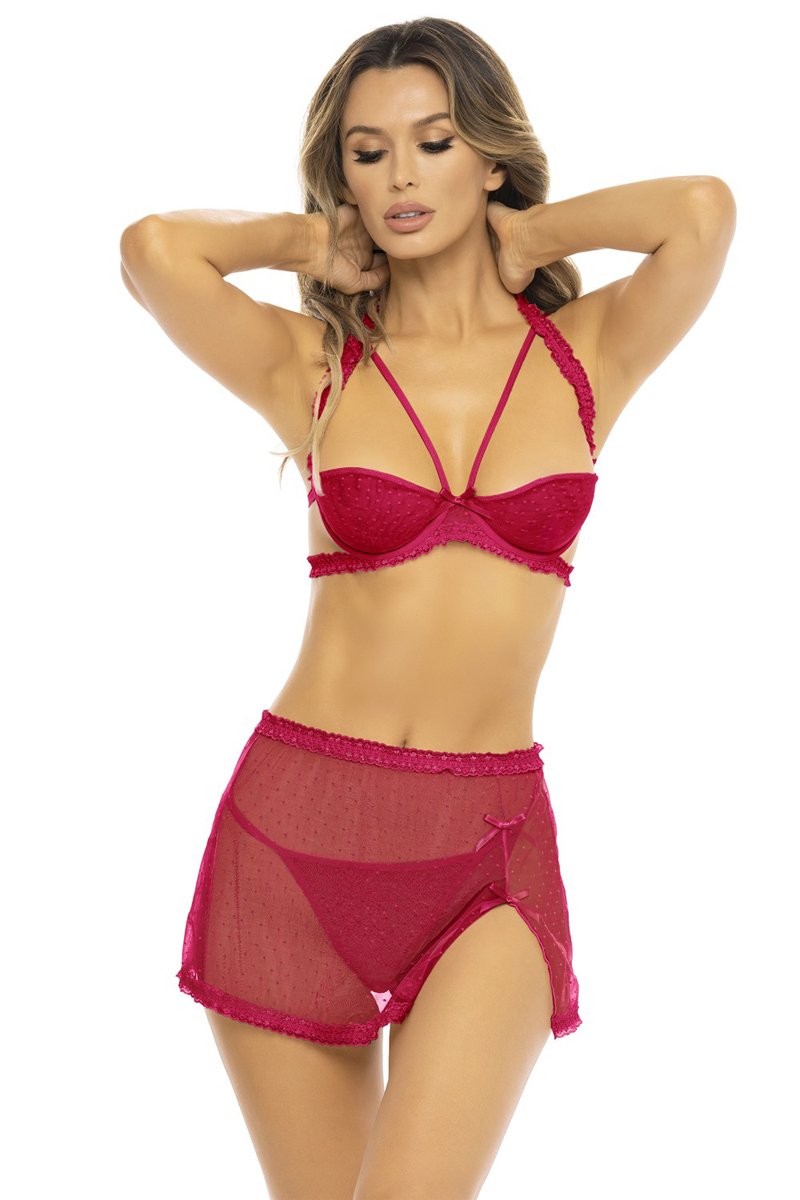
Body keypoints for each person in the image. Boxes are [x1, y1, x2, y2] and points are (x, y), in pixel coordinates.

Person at [119, 17, 736, 1200]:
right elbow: (152, 251)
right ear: (343, 176)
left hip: (486, 851)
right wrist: (309, 240)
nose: (401, 175)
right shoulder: (312, 366)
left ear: (488, 155)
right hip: (292, 841)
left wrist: (534, 235)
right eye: (368, 152)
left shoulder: (586, 356)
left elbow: (701, 212)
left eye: (434, 141)